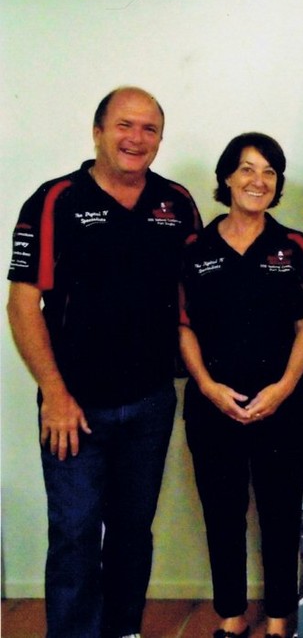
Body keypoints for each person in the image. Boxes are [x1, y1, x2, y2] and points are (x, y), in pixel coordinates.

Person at [6, 86, 202, 638]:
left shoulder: (177, 202)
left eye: (149, 129)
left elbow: (195, 294)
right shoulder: (55, 200)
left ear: (159, 139)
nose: (135, 138)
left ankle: (123, 630)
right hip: (75, 405)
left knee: (133, 531)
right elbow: (23, 303)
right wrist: (55, 394)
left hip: (150, 400)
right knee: (73, 532)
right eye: (124, 125)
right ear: (97, 131)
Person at [179, 132, 303, 638]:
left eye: (268, 172)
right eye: (247, 169)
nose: (257, 180)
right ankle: (231, 615)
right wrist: (206, 386)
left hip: (282, 407)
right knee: (222, 514)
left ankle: (277, 620)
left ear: (277, 184)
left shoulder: (293, 248)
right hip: (212, 406)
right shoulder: (193, 247)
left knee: (280, 516)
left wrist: (285, 386)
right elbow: (181, 325)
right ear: (227, 177)